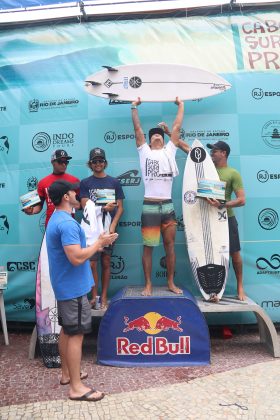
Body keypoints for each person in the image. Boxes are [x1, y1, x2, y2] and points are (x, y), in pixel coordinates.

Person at [46, 180, 118, 402]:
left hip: (68, 286)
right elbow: (76, 257)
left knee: (67, 331)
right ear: (66, 197)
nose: (77, 193)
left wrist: (97, 241)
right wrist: (99, 244)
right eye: (72, 191)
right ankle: (76, 387)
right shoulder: (66, 224)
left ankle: (67, 375)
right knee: (75, 334)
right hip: (72, 287)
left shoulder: (58, 219)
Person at [131, 97, 190, 296]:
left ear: (164, 139)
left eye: (159, 135)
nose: (157, 137)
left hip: (168, 206)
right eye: (153, 136)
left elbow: (177, 126)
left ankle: (171, 283)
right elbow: (138, 129)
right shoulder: (144, 152)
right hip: (150, 206)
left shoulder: (170, 151)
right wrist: (134, 107)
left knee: (170, 246)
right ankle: (148, 284)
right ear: (148, 141)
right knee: (148, 247)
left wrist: (181, 105)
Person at [80, 147, 125, 310]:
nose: (98, 164)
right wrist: (103, 208)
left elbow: (120, 207)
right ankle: (94, 297)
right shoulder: (85, 183)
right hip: (92, 230)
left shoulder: (114, 182)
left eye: (100, 161)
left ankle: (104, 297)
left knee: (106, 262)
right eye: (94, 161)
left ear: (105, 163)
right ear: (90, 164)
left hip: (107, 229)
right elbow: (85, 205)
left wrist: (113, 225)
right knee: (91, 265)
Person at [206, 140, 246, 301]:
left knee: (234, 254)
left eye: (214, 151)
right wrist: (169, 134)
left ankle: (240, 286)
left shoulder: (233, 173)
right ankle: (216, 291)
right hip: (210, 219)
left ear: (224, 153)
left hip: (227, 218)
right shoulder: (208, 171)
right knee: (214, 256)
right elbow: (189, 150)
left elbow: (242, 200)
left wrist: (223, 204)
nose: (211, 153)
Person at [23, 149, 80, 226]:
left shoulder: (74, 180)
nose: (64, 164)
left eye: (66, 162)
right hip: (51, 224)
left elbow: (80, 204)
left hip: (69, 224)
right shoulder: (43, 182)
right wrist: (31, 210)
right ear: (53, 162)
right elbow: (39, 205)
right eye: (60, 161)